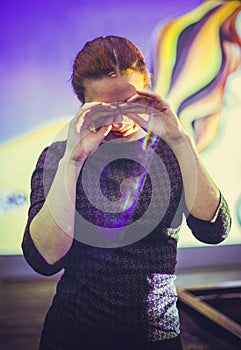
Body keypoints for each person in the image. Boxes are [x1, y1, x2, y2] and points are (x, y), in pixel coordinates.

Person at [22, 35, 231, 350]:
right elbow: (45, 259)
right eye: (105, 108)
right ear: (83, 103)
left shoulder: (171, 152)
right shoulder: (61, 157)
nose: (119, 118)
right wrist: (74, 159)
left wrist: (179, 139)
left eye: (130, 102)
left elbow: (214, 230)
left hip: (156, 331)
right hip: (75, 330)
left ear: (148, 88)